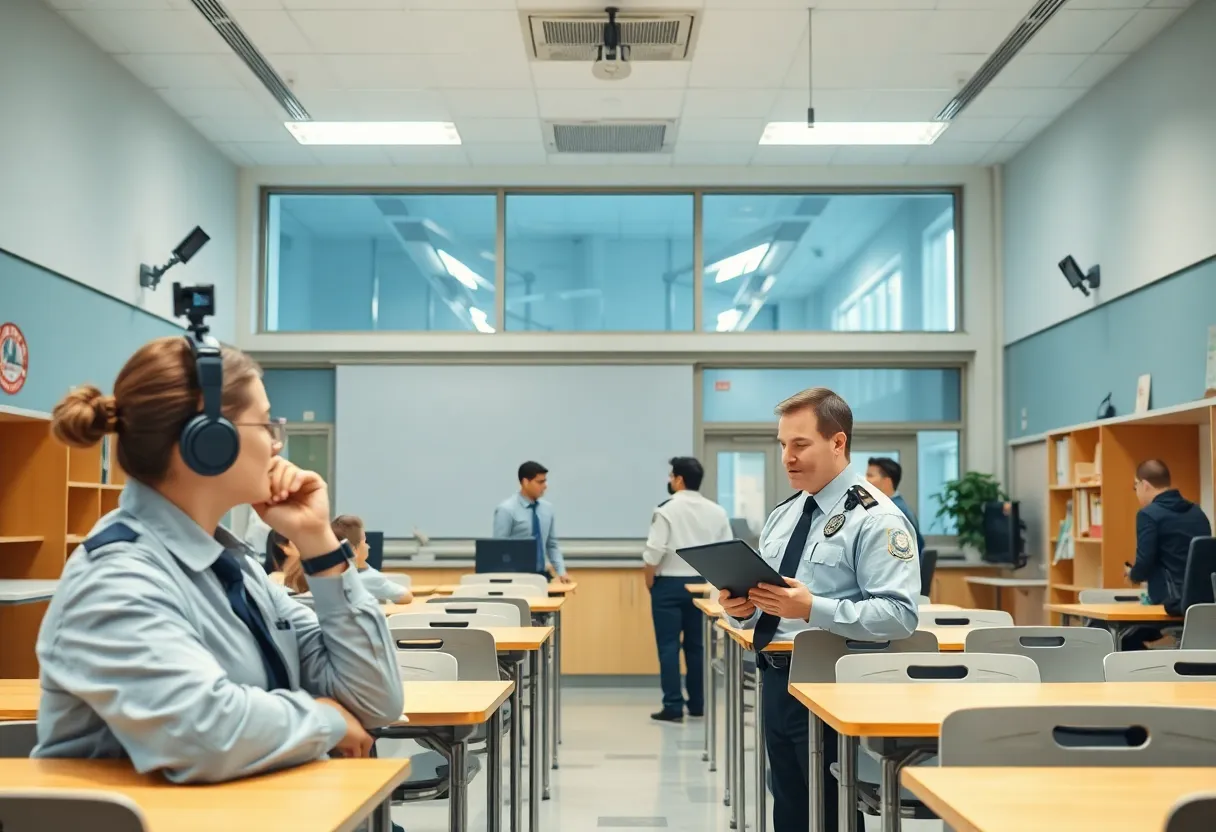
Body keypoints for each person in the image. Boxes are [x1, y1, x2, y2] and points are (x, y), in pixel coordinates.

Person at [33, 335, 405, 789]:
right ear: (208, 442)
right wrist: (323, 719)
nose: (276, 444)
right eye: (265, 425)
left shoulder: (237, 568)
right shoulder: (118, 577)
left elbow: (375, 700)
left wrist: (316, 539)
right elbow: (205, 733)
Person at [718, 387, 919, 832]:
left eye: (800, 444)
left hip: (832, 683)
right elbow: (769, 602)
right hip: (775, 675)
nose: (788, 457)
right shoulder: (784, 514)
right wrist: (742, 609)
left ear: (838, 442)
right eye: (783, 445)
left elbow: (900, 615)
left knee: (829, 811)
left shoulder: (876, 518)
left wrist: (814, 608)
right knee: (789, 804)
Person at [643, 456, 732, 723]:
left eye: (671, 476)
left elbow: (653, 554)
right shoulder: (717, 511)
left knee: (668, 647)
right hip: (702, 586)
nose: (669, 481)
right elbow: (724, 551)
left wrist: (650, 583)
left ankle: (672, 705)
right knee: (697, 647)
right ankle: (697, 704)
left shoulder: (665, 510)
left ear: (679, 479)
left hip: (668, 584)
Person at [1124, 458, 1212, 648]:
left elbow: (1144, 564)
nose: (1136, 491)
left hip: (1170, 605)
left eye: (1135, 486)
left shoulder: (1148, 515)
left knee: (1120, 638)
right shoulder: (1198, 512)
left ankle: (1151, 675)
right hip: (1203, 607)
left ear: (1145, 485)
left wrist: (1133, 574)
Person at [493, 461, 572, 582]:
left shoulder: (547, 509)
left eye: (545, 481)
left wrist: (562, 572)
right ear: (525, 482)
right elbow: (498, 549)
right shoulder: (506, 510)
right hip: (515, 578)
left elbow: (551, 545)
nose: (545, 486)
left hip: (541, 576)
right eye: (540, 482)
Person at [332, 514, 412, 604]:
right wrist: (363, 566)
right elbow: (406, 596)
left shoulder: (324, 577)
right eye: (364, 542)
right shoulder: (370, 578)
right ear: (354, 551)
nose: (368, 546)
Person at [865, 456, 926, 554]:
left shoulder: (895, 512)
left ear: (887, 482)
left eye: (870, 476)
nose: (865, 480)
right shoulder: (894, 507)